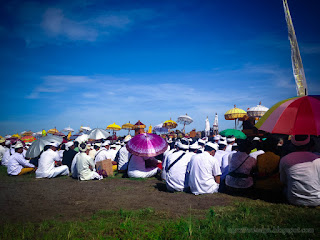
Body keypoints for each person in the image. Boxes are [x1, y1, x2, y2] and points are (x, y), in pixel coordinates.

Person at [279, 135, 320, 206]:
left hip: (293, 199)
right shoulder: (317, 159)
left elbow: (283, 180)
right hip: (317, 199)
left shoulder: (285, 159)